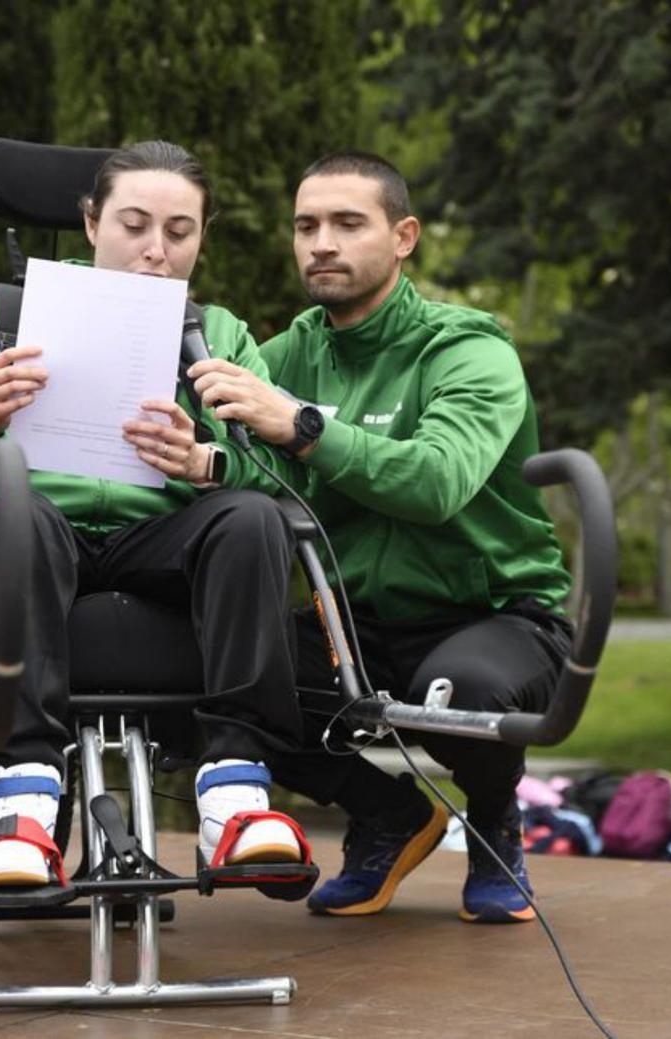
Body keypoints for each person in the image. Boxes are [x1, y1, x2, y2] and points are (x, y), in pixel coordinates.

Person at [0, 141, 309, 890]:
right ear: (90, 222)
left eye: (180, 233)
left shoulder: (218, 334)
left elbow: (285, 479)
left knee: (251, 518)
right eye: (134, 225)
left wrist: (208, 460)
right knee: (22, 512)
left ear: (202, 238)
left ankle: (235, 792)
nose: (155, 251)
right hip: (31, 532)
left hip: (164, 541)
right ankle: (24, 795)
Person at [179, 151, 573, 923]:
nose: (321, 242)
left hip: (494, 615)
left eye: (347, 223)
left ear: (404, 237)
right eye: (306, 225)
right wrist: (205, 461)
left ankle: (493, 816)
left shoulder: (468, 350)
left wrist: (300, 424)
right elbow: (258, 479)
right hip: (352, 621)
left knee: (463, 693)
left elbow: (436, 482)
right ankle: (388, 812)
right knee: (204, 673)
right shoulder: (289, 352)